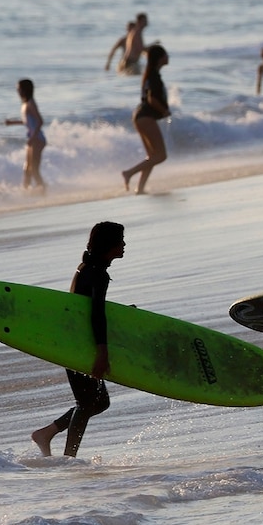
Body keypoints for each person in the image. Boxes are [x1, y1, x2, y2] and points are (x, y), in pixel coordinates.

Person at [31, 222, 121, 457]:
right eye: (120, 241)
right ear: (108, 245)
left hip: (75, 341)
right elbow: (96, 313)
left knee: (99, 402)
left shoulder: (88, 267)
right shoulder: (97, 273)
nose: (124, 245)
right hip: (80, 346)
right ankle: (69, 458)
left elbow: (87, 310)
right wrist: (102, 352)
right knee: (87, 403)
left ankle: (46, 433)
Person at [121, 44, 170, 193]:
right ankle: (129, 172)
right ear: (160, 58)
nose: (168, 57)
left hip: (140, 116)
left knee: (152, 156)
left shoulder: (150, 74)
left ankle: (140, 188)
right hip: (146, 117)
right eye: (166, 55)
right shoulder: (154, 76)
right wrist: (165, 111)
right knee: (161, 155)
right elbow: (151, 100)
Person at [2, 79, 48, 191]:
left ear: (25, 90)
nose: (18, 91)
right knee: (27, 169)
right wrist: (12, 123)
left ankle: (42, 190)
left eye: (19, 89)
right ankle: (26, 191)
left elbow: (40, 121)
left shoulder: (31, 103)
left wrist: (33, 137)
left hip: (37, 139)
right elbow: (28, 121)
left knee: (34, 169)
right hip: (33, 139)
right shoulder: (25, 104)